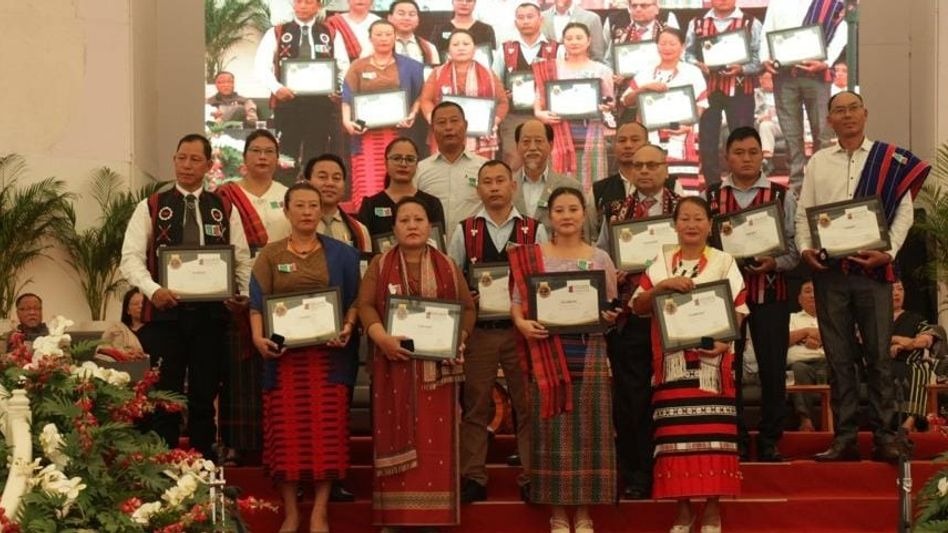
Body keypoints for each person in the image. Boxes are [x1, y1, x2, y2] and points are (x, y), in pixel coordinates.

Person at [794, 91, 930, 462]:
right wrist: (805, 249)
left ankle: (886, 437)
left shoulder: (891, 160)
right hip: (831, 273)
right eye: (839, 110)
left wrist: (889, 252)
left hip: (874, 271)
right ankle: (845, 438)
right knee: (839, 359)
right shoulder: (819, 162)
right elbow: (804, 212)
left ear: (865, 114)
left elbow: (904, 214)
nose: (848, 115)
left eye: (853, 108)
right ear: (829, 120)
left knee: (879, 357)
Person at [120, 133, 252, 460]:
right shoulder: (152, 205)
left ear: (208, 165)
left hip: (212, 316)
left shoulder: (224, 207)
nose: (187, 165)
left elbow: (241, 258)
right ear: (174, 160)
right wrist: (153, 290)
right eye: (181, 158)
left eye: (195, 159)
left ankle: (202, 460)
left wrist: (243, 293)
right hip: (164, 316)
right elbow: (130, 259)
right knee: (165, 393)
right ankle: (164, 462)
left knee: (205, 393)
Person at [249, 182, 361, 533]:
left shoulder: (342, 254)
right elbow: (257, 303)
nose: (308, 211)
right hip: (284, 362)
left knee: (327, 435)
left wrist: (347, 326)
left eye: (313, 205)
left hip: (328, 360)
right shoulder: (270, 255)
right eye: (300, 205)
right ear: (286, 210)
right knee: (287, 438)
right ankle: (292, 512)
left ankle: (319, 512)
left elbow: (355, 301)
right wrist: (257, 337)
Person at [357, 197, 475, 529]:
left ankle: (433, 517)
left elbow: (467, 309)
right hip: (393, 367)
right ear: (394, 228)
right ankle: (395, 518)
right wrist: (381, 338)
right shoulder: (380, 264)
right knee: (394, 434)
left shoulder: (447, 264)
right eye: (404, 220)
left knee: (435, 441)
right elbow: (365, 305)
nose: (412, 225)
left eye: (418, 219)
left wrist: (458, 339)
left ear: (430, 227)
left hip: (437, 373)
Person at [631, 196, 747, 533]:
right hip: (673, 366)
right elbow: (637, 306)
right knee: (674, 440)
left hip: (712, 364)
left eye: (698, 218)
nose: (691, 224)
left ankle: (712, 510)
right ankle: (683, 511)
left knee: (715, 438)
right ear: (674, 224)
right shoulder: (662, 262)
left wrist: (726, 340)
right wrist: (663, 287)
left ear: (710, 225)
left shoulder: (724, 261)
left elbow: (739, 310)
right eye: (685, 218)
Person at [509, 187, 619, 533]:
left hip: (589, 353)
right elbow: (517, 303)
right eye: (560, 210)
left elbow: (610, 307)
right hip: (545, 352)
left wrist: (611, 316)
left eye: (573, 209)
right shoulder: (533, 257)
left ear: (584, 214)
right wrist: (522, 324)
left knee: (590, 431)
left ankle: (584, 511)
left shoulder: (600, 258)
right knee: (550, 432)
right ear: (549, 217)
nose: (567, 216)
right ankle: (557, 512)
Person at [446, 160, 548, 504]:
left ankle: (533, 476)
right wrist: (467, 296)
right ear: (478, 189)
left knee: (527, 405)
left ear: (512, 186)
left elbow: (545, 280)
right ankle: (473, 476)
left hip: (523, 333)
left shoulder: (535, 230)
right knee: (475, 406)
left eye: (500, 180)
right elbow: (452, 279)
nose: (493, 187)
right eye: (486, 181)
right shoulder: (465, 230)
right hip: (481, 332)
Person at [706, 126, 798, 462]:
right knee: (728, 369)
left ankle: (771, 439)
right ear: (727, 157)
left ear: (762, 156)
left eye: (753, 152)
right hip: (725, 300)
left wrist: (775, 262)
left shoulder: (782, 196)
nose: (746, 159)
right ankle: (737, 437)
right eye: (739, 152)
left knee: (773, 369)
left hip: (770, 295)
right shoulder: (711, 196)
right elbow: (701, 246)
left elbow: (795, 248)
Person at [595, 144, 679, 499]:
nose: (644, 170)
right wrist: (612, 273)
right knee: (632, 400)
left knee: (674, 396)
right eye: (638, 165)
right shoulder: (615, 211)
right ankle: (636, 473)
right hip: (629, 318)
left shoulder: (683, 210)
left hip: (676, 317)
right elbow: (600, 258)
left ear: (665, 168)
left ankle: (676, 472)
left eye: (651, 164)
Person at [214, 129, 291, 466]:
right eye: (256, 150)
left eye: (269, 151)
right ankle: (234, 442)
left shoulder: (288, 195)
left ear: (277, 158)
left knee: (275, 367)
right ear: (244, 157)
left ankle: (276, 444)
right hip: (236, 293)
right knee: (236, 370)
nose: (262, 157)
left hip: (279, 290)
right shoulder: (225, 195)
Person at [760, 0, 849, 191]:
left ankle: (822, 182)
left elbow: (842, 31)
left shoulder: (831, 3)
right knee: (791, 134)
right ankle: (796, 184)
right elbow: (767, 30)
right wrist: (764, 58)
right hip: (784, 75)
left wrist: (826, 61)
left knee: (822, 132)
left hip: (817, 75)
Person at [340, 20, 425, 214]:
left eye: (388, 34)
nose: (384, 38)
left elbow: (420, 95)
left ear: (395, 37)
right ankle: (368, 225)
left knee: (398, 180)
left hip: (398, 134)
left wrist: (412, 114)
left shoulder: (411, 66)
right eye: (378, 34)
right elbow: (347, 97)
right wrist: (347, 121)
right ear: (370, 38)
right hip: (366, 137)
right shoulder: (358, 66)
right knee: (368, 185)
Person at [254, 0, 345, 174]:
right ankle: (285, 186)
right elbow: (261, 66)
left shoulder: (330, 33)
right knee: (287, 152)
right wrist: (277, 88)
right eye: (299, 1)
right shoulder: (277, 32)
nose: (303, 6)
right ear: (293, 4)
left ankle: (312, 187)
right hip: (287, 103)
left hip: (321, 104)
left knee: (316, 151)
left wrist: (337, 88)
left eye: (308, 2)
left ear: (318, 6)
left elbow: (343, 65)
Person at [684, 0, 763, 187]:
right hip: (707, 90)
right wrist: (697, 65)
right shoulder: (696, 23)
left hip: (741, 89)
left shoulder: (752, 22)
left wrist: (742, 68)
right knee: (707, 140)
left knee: (743, 139)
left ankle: (744, 183)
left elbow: (760, 59)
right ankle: (713, 186)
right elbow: (687, 55)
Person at [534, 22, 615, 195]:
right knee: (561, 181)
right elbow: (538, 101)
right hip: (559, 131)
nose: (574, 42)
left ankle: (591, 209)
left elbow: (610, 102)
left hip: (591, 131)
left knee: (592, 179)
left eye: (579, 38)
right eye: (569, 38)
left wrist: (605, 107)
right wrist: (540, 114)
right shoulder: (551, 68)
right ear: (563, 41)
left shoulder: (602, 70)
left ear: (589, 40)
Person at [419, 29, 509, 160]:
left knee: (478, 171)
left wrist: (491, 122)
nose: (461, 48)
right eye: (455, 44)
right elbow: (426, 100)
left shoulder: (489, 74)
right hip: (445, 134)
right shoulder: (437, 73)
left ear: (474, 49)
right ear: (448, 50)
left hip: (480, 137)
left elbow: (502, 102)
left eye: (466, 44)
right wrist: (435, 121)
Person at [623, 28, 707, 165]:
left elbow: (701, 104)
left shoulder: (693, 72)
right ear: (657, 46)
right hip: (650, 136)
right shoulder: (645, 72)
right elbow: (626, 101)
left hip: (682, 135)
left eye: (672, 44)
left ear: (683, 46)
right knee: (651, 173)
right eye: (662, 43)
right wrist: (645, 88)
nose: (667, 48)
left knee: (681, 176)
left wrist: (687, 125)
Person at [494, 1, 559, 170]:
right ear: (515, 22)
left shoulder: (555, 48)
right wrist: (503, 93)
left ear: (541, 19)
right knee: (514, 162)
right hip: (513, 116)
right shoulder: (505, 48)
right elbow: (495, 80)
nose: (525, 21)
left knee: (547, 163)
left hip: (546, 116)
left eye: (530, 17)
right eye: (521, 17)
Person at [415, 101, 489, 241]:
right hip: (432, 249)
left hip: (474, 247)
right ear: (432, 129)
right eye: (441, 122)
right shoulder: (419, 170)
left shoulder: (485, 168)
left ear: (465, 125)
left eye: (454, 121)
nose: (448, 127)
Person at [511, 119, 594, 241]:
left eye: (538, 141)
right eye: (526, 142)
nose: (532, 147)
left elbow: (584, 238)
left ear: (550, 145)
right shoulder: (506, 187)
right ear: (517, 146)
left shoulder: (571, 187)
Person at [603, 0, 679, 124]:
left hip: (661, 96)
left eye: (644, 5)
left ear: (656, 8)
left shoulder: (667, 32)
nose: (638, 9)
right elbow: (608, 61)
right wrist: (613, 75)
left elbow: (679, 59)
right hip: (627, 98)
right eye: (634, 6)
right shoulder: (620, 34)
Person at [358, 137, 446, 238]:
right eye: (397, 158)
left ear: (417, 165)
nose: (403, 164)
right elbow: (363, 244)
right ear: (386, 163)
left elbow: (437, 243)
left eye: (410, 159)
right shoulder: (370, 205)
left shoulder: (432, 204)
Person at [890, 280, 945, 432]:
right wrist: (899, 340)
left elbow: (926, 340)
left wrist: (905, 344)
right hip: (884, 362)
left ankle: (910, 421)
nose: (896, 293)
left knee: (919, 370)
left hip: (912, 363)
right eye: (892, 290)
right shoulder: (875, 320)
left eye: (900, 289)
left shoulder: (915, 319)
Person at [304, 154, 372, 253]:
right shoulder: (291, 224)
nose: (330, 183)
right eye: (322, 177)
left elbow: (365, 262)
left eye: (336, 178)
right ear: (307, 184)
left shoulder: (360, 230)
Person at [787, 280, 828, 431]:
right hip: (801, 364)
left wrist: (820, 340)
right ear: (799, 299)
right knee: (798, 369)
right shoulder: (791, 318)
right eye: (808, 291)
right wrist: (806, 332)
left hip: (827, 362)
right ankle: (806, 420)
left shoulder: (831, 318)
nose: (812, 295)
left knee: (847, 368)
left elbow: (842, 340)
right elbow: (783, 340)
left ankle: (842, 421)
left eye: (816, 292)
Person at [593, 121, 649, 225]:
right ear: (614, 146)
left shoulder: (669, 186)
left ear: (648, 144)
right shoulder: (598, 190)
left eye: (635, 140)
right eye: (622, 140)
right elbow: (592, 230)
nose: (628, 145)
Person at [540, 0, 605, 63]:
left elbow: (597, 56)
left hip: (582, 68)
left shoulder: (591, 18)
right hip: (546, 68)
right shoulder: (540, 18)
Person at [325, 0, 381, 71]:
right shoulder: (334, 22)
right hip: (341, 70)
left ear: (371, 2)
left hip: (374, 69)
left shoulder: (380, 23)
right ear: (348, 1)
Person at [429, 0, 497, 59]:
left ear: (475, 3)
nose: (464, 3)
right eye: (460, 0)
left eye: (469, 1)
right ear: (452, 2)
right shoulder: (440, 29)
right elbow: (432, 57)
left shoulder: (486, 30)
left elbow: (491, 58)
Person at [389, 0, 440, 66]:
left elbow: (435, 71)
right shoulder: (377, 45)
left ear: (418, 19)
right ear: (390, 18)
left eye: (412, 14)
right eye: (401, 14)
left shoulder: (430, 48)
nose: (407, 18)